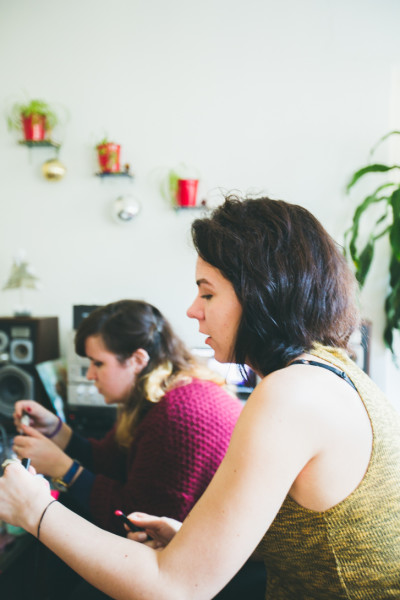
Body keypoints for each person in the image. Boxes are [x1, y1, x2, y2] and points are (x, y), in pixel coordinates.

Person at [1, 195, 400, 600]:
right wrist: (193, 540)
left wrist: (36, 510)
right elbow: (313, 536)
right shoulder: (331, 370)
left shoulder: (290, 394)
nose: (192, 310)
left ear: (263, 295)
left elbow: (173, 589)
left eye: (207, 294)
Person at [11, 299, 246, 599]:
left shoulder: (181, 414)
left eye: (98, 363)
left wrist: (65, 470)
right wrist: (57, 431)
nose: (90, 376)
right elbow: (109, 461)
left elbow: (136, 520)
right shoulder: (155, 395)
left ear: (137, 359)